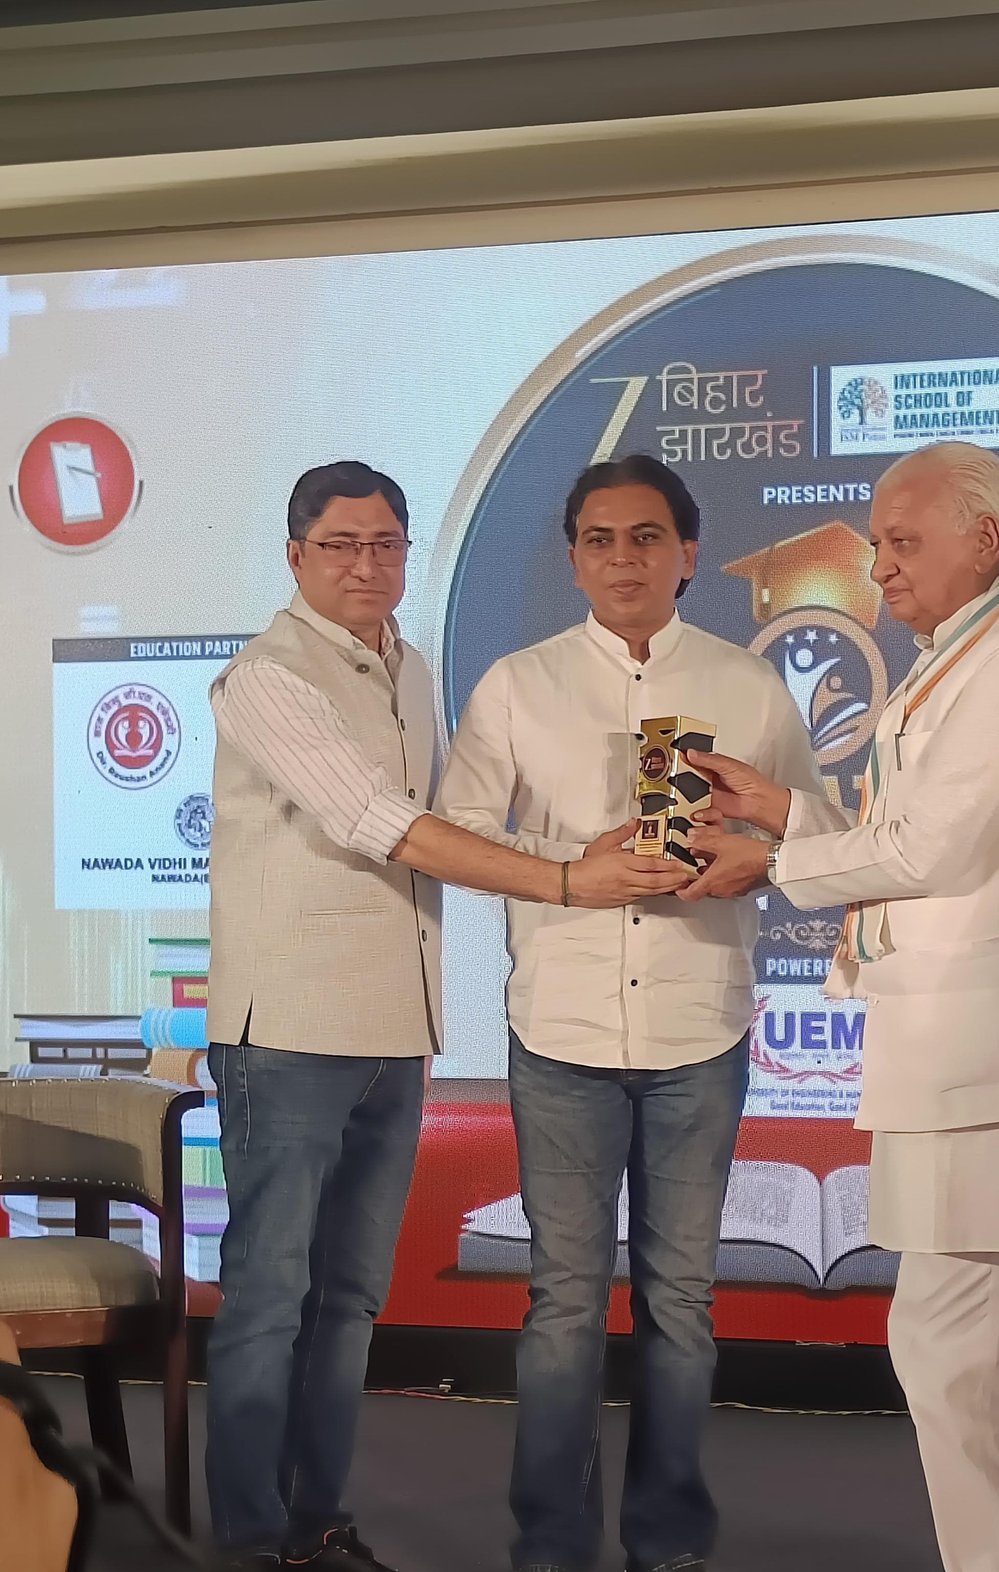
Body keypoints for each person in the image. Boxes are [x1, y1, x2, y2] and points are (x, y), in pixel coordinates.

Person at [682, 442, 999, 1572]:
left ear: (985, 539)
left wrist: (770, 858)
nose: (879, 565)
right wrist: (782, 812)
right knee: (942, 1348)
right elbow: (915, 842)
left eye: (902, 540)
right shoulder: (955, 655)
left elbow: (931, 849)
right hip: (941, 1056)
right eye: (879, 541)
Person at [206, 462, 688, 1572]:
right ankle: (247, 1540)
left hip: (393, 1031)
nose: (366, 565)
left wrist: (575, 849)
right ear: (295, 557)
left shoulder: (409, 667)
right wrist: (564, 881)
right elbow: (384, 825)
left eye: (385, 544)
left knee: (349, 1300)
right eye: (341, 546)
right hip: (287, 1034)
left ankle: (314, 1522)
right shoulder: (266, 678)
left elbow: (441, 820)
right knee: (269, 1297)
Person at [434, 454, 826, 1572]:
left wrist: (749, 855)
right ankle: (553, 1545)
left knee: (681, 1307)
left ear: (688, 555)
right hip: (561, 1027)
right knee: (564, 1306)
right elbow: (460, 835)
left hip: (701, 1024)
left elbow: (815, 832)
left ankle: (667, 1541)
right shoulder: (519, 684)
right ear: (573, 559)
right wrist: (575, 861)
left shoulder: (750, 687)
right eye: (599, 540)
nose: (623, 559)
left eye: (647, 537)